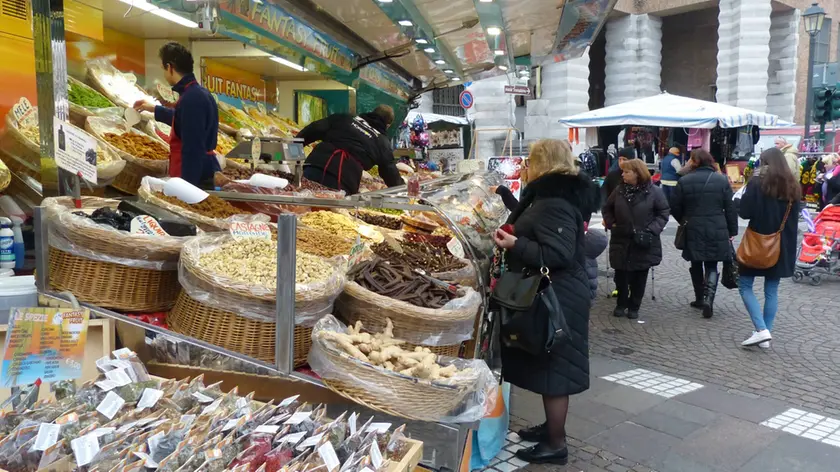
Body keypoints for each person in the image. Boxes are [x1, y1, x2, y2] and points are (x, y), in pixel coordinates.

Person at [493, 139, 597, 465]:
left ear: (543, 162)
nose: (525, 166)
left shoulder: (555, 202)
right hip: (552, 293)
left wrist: (515, 243)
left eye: (530, 160)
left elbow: (557, 254)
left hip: (558, 297)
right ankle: (550, 429)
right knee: (546, 367)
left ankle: (556, 443)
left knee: (555, 372)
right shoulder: (549, 196)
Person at [737, 148, 801, 348]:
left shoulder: (757, 183)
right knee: (771, 290)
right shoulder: (793, 186)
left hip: (757, 242)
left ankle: (761, 330)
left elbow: (745, 212)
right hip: (783, 245)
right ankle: (766, 333)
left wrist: (741, 198)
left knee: (745, 284)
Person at [134, 42, 220, 187]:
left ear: (170, 67)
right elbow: (183, 120)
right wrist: (154, 109)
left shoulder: (192, 98)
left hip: (196, 176)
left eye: (163, 69)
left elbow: (193, 148)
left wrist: (185, 189)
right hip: (202, 170)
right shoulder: (198, 93)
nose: (164, 74)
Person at [669, 149, 738, 318]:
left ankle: (699, 298)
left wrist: (684, 220)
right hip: (717, 226)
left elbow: (675, 207)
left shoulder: (684, 181)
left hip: (693, 226)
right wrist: (732, 230)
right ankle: (709, 299)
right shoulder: (721, 180)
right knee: (712, 264)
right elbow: (730, 208)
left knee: (696, 262)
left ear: (695, 161)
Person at [603, 159, 670, 319]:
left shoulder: (654, 192)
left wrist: (651, 230)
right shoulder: (619, 190)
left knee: (639, 275)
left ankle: (634, 305)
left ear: (637, 173)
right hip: (621, 238)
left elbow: (663, 213)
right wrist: (612, 223)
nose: (623, 174)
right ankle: (621, 303)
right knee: (621, 274)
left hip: (644, 240)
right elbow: (607, 208)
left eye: (627, 171)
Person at [296, 105, 404, 195]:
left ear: (372, 113)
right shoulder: (383, 143)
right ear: (388, 125)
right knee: (325, 213)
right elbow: (391, 173)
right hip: (343, 180)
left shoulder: (344, 118)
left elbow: (314, 129)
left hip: (314, 166)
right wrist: (404, 190)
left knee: (301, 201)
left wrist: (293, 148)